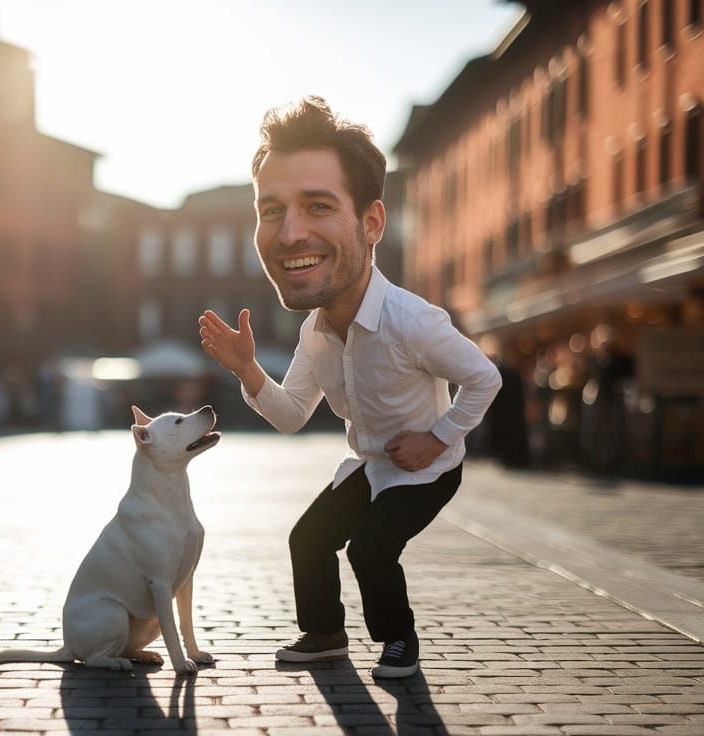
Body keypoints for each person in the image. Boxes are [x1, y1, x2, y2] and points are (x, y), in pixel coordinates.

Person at [197, 97, 502, 679]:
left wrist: (438, 439)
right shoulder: (316, 331)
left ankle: (398, 640)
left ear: (371, 223)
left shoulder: (415, 321)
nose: (291, 233)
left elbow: (485, 378)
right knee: (308, 538)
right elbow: (292, 416)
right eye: (272, 209)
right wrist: (248, 371)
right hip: (371, 464)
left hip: (427, 469)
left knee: (369, 548)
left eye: (318, 205)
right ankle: (325, 634)